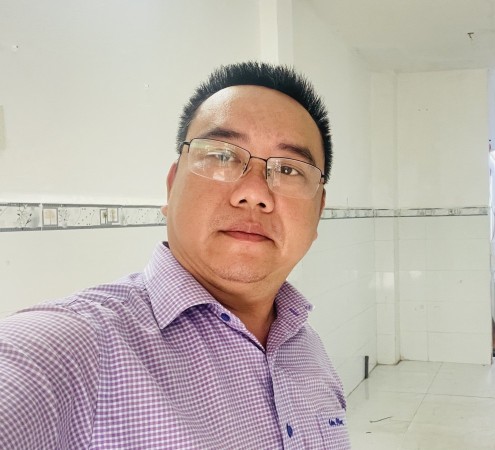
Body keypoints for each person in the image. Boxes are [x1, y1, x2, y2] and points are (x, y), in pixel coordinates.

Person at [0, 62, 350, 449]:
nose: (254, 193)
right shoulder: (73, 351)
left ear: (318, 212)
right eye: (221, 156)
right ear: (171, 187)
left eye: (289, 169)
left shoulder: (306, 348)